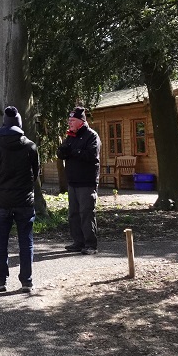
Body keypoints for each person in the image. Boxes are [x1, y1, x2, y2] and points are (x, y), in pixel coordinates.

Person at [0, 106, 41, 292]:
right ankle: (27, 280)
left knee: (1, 240)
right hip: (24, 200)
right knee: (26, 241)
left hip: (2, 200)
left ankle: (1, 280)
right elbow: (35, 173)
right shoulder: (30, 146)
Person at [58, 106, 101, 255]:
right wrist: (62, 152)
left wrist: (74, 152)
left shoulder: (92, 136)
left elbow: (91, 156)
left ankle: (91, 245)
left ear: (81, 121)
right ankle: (78, 242)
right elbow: (63, 152)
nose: (69, 123)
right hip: (73, 182)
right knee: (73, 214)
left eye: (72, 120)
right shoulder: (71, 136)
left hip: (87, 182)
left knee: (86, 213)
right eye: (69, 120)